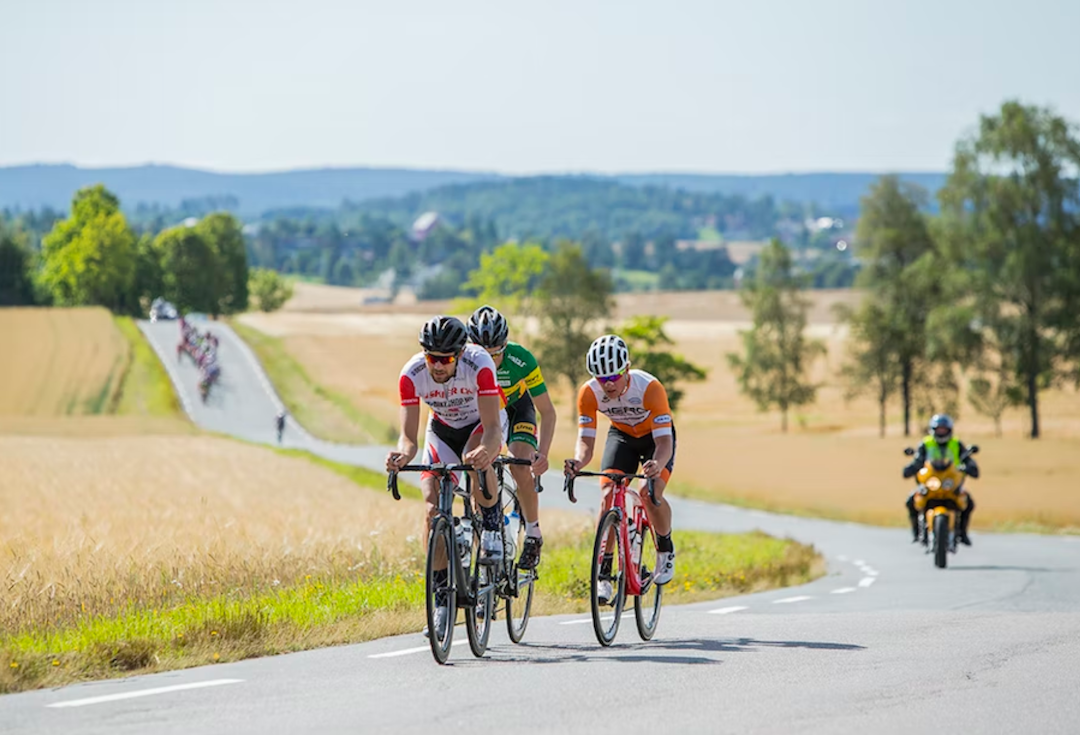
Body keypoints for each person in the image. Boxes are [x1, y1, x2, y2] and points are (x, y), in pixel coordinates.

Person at [385, 315, 505, 637]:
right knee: (431, 507)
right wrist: (402, 456)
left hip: (482, 424)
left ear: (460, 353)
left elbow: (494, 429)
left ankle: (492, 524)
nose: (437, 366)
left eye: (445, 359)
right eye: (431, 358)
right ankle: (441, 600)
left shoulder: (479, 363)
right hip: (442, 429)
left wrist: (486, 451)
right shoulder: (411, 374)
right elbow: (409, 439)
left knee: (477, 460)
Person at [564, 334, 677, 603]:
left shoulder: (650, 388)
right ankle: (604, 575)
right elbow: (586, 442)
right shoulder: (589, 393)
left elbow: (664, 443)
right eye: (602, 379)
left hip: (655, 440)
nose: (609, 384)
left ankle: (665, 547)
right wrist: (578, 462)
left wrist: (656, 464)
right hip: (622, 437)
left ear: (626, 369)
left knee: (648, 493)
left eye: (614, 377)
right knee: (607, 495)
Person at [466, 305, 556, 570]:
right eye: (484, 354)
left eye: (496, 354)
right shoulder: (464, 361)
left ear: (505, 345)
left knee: (519, 464)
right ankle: (488, 527)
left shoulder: (521, 359)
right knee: (476, 464)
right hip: (485, 412)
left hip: (517, 409)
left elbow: (548, 412)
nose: (490, 361)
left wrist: (543, 454)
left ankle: (533, 534)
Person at [903, 413, 979, 545]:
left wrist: (969, 467)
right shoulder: (926, 444)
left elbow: (967, 460)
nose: (941, 432)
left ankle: (963, 533)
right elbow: (918, 460)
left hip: (951, 482)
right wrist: (911, 468)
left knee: (968, 503)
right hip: (931, 482)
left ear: (949, 430)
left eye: (944, 429)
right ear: (933, 429)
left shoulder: (956, 444)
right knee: (911, 501)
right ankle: (917, 533)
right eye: (939, 429)